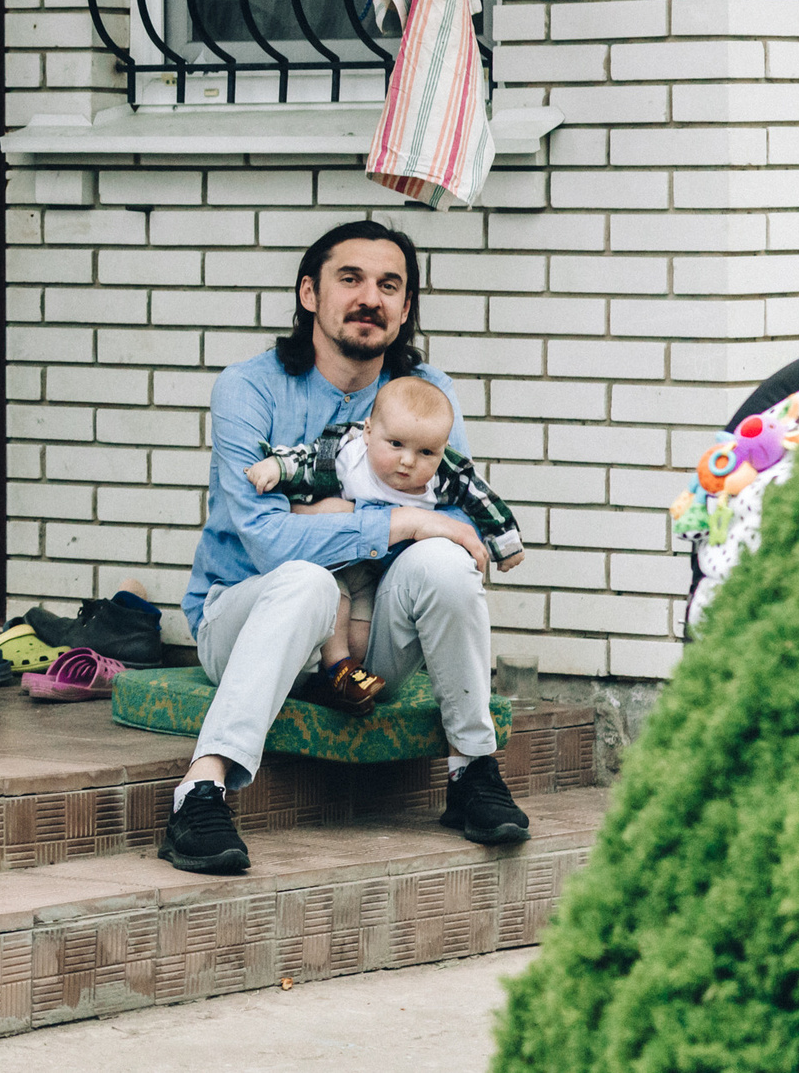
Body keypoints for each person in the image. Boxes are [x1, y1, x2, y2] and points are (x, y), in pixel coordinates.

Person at [162, 219, 529, 876]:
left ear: (406, 308)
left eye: (390, 285)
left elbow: (457, 525)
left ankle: (472, 770)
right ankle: (201, 790)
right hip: (243, 619)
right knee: (307, 578)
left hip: (364, 646)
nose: (370, 298)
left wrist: (357, 517)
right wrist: (402, 521)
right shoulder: (248, 388)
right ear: (310, 293)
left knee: (445, 563)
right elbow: (268, 539)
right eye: (350, 278)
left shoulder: (427, 395)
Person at [244, 373, 525, 714]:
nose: (408, 461)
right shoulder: (349, 456)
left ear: (443, 450)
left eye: (426, 452)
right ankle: (337, 667)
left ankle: (343, 683)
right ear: (368, 432)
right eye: (396, 445)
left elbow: (480, 499)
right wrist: (276, 467)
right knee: (336, 611)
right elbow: (305, 461)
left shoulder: (445, 475)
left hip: (376, 576)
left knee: (360, 636)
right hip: (336, 561)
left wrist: (505, 542)